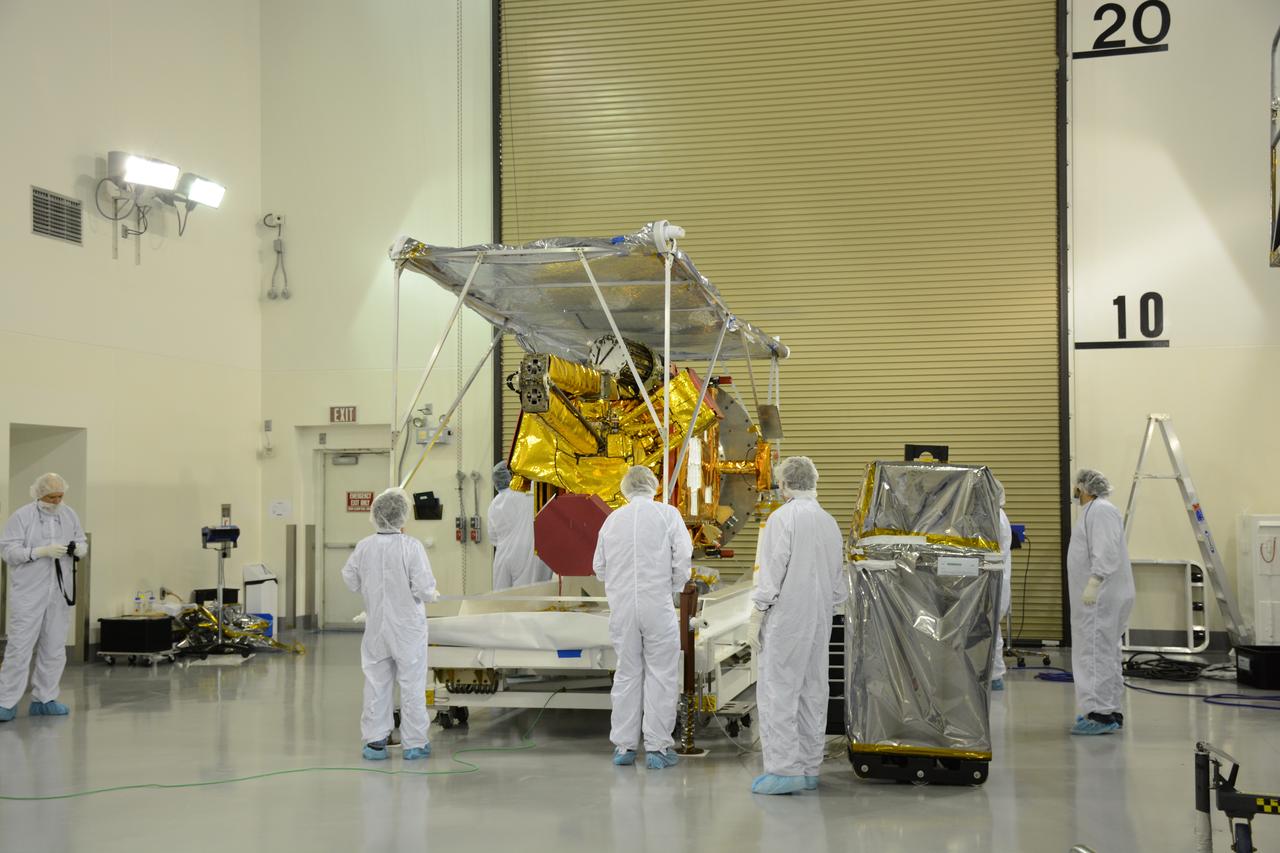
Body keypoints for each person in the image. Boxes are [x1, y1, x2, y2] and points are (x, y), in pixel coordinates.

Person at [748, 456, 847, 795]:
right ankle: (808, 767)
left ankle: (784, 770)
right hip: (820, 618)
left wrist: (758, 611)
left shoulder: (782, 518)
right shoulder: (828, 522)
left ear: (785, 484)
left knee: (779, 691)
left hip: (787, 619)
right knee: (812, 690)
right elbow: (839, 583)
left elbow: (771, 570)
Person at [592, 465, 692, 770]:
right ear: (653, 486)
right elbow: (682, 557)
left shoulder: (612, 520)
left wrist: (620, 585)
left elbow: (599, 567)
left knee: (627, 672)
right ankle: (657, 748)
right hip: (657, 603)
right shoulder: (667, 514)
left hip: (622, 608)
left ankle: (624, 746)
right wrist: (672, 586)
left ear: (625, 488)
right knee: (661, 673)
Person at [342, 488, 438, 760]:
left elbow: (350, 579)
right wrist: (432, 593)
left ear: (376, 515)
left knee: (376, 683)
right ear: (402, 516)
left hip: (376, 629)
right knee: (412, 684)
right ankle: (414, 743)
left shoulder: (364, 546)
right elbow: (424, 589)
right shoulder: (411, 547)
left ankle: (375, 742)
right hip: (407, 629)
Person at [0, 474, 89, 722]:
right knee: (19, 647)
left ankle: (45, 699)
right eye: (52, 497)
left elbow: (81, 540)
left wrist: (79, 549)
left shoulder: (69, 515)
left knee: (54, 647)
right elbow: (8, 551)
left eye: (60, 496)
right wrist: (39, 552)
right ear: (39, 495)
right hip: (29, 593)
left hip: (58, 593)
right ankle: (5, 702)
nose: (57, 501)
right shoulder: (22, 517)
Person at [1066, 468, 1134, 736]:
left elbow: (1104, 550)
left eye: (1077, 487)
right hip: (1101, 597)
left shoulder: (1100, 510)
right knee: (1105, 651)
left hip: (1100, 597)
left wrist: (1094, 583)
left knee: (1093, 652)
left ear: (1084, 488)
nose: (1074, 492)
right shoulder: (1094, 511)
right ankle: (1110, 709)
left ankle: (1099, 714)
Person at [488, 462, 552, 589]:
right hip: (527, 556)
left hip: (503, 558)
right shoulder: (529, 496)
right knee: (528, 597)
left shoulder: (494, 504)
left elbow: (493, 538)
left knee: (503, 598)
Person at [991, 480, 1013, 691]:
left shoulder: (996, 517)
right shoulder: (995, 515)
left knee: (990, 627)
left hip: (994, 580)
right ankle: (994, 674)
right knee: (990, 627)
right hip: (995, 579)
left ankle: (995, 675)